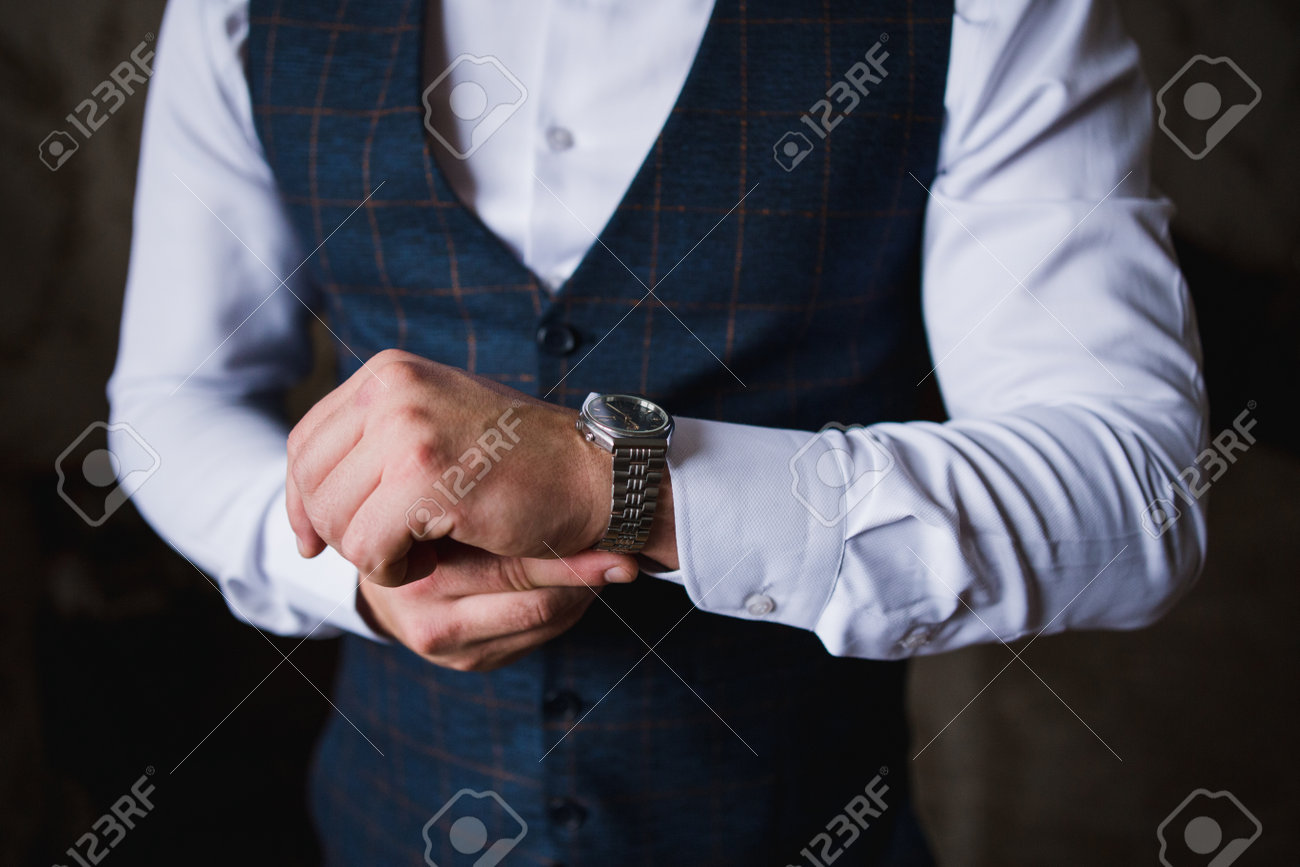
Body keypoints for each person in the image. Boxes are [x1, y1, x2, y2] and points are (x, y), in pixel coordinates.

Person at [109, 0, 1207, 863]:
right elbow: (171, 401)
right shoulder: (237, 8)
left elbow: (1134, 488)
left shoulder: (991, 8)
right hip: (386, 829)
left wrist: (625, 482)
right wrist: (342, 567)